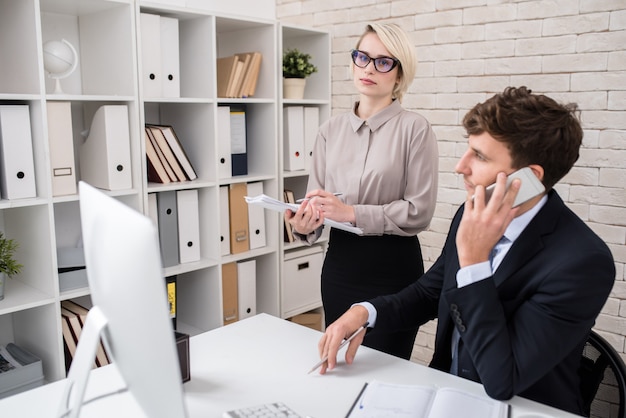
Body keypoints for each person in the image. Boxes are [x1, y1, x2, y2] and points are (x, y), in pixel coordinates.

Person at [315, 86, 616, 416]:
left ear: (528, 178)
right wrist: (366, 313)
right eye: (468, 150)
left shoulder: (583, 261)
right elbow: (431, 293)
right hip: (450, 395)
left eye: (481, 157)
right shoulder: (472, 211)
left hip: (523, 408)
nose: (461, 166)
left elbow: (503, 380)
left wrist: (474, 261)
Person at [285, 23, 439, 360]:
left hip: (394, 272)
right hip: (340, 268)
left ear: (400, 75)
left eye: (383, 62)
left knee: (385, 372)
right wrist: (305, 225)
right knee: (340, 365)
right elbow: (318, 203)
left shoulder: (415, 129)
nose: (369, 68)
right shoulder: (330, 130)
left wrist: (351, 212)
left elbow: (420, 211)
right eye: (362, 57)